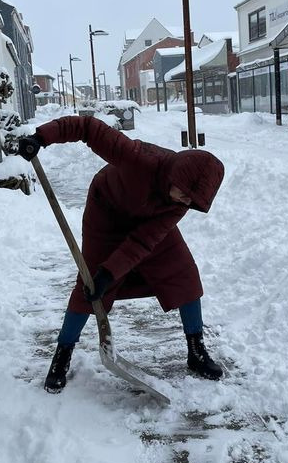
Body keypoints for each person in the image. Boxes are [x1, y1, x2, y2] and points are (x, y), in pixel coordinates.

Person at [18, 114, 225, 393]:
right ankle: (62, 355)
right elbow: (88, 128)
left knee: (183, 274)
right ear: (176, 176)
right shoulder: (139, 159)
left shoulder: (179, 203)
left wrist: (111, 272)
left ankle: (196, 350)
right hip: (106, 214)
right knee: (89, 287)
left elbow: (143, 241)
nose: (186, 203)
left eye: (192, 201)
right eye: (186, 195)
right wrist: (41, 137)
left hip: (148, 221)